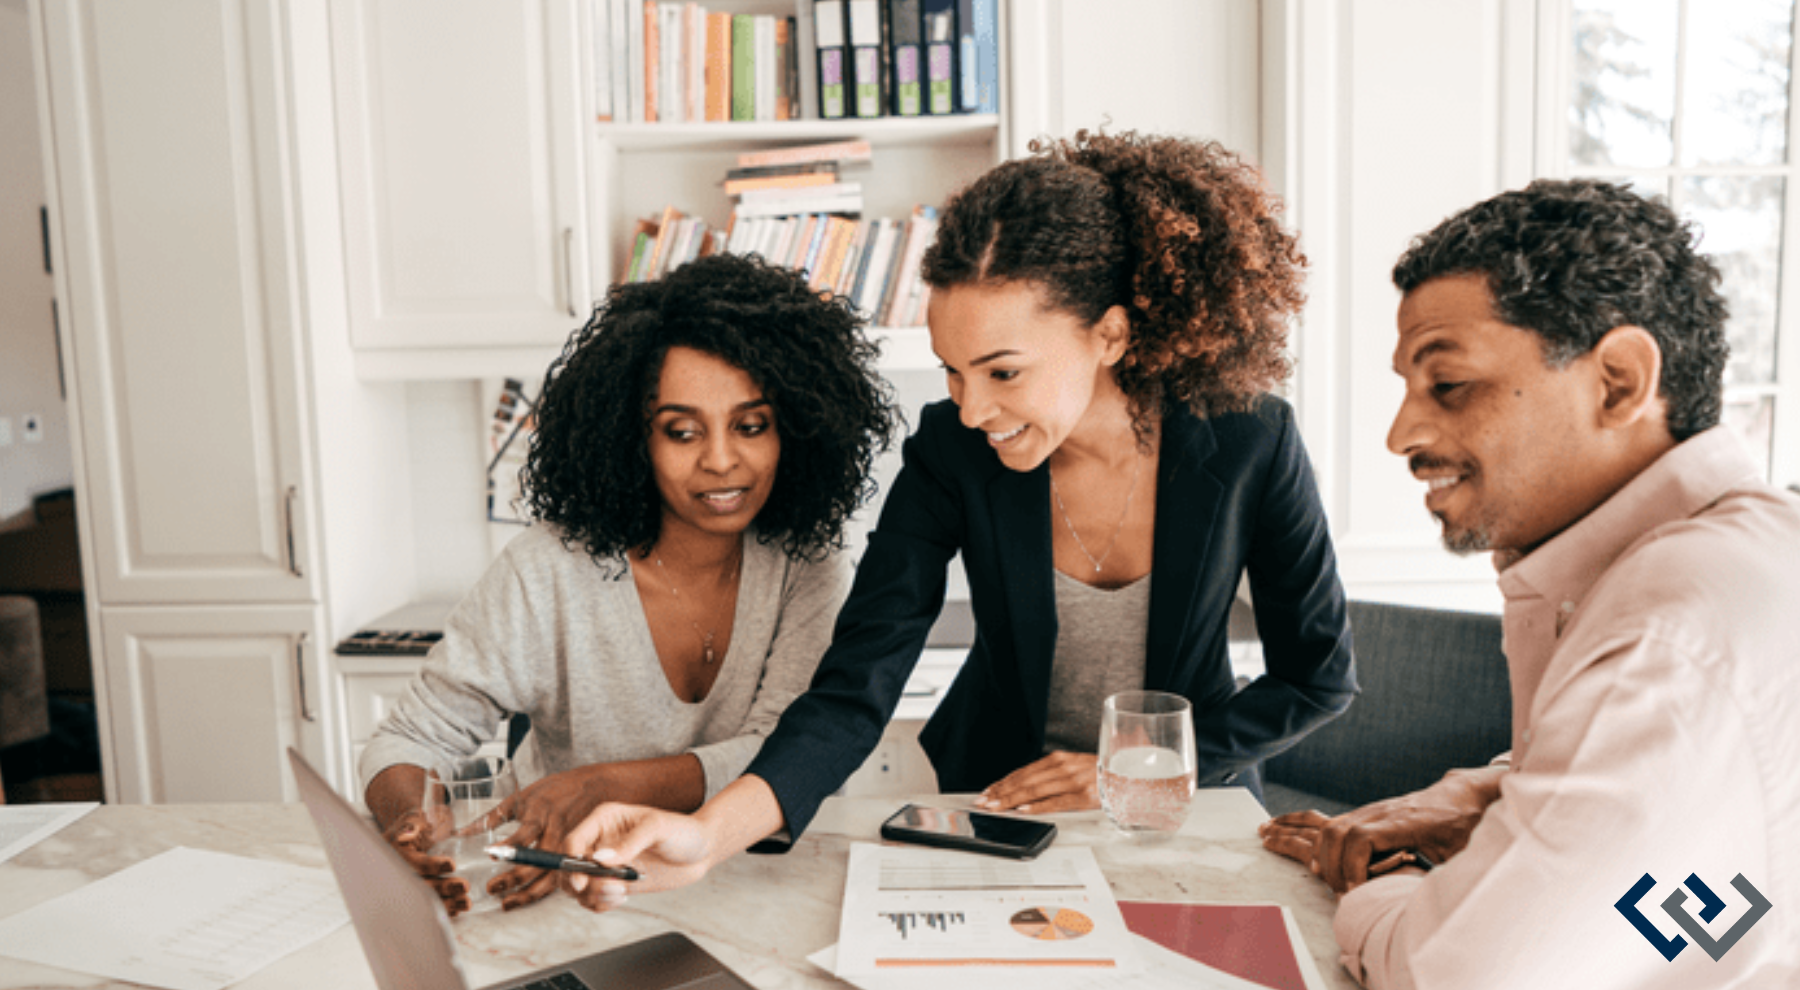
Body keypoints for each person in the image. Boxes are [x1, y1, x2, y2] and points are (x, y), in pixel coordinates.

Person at [559, 129, 1357, 910]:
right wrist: (707, 836)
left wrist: (1146, 760)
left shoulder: (1249, 439)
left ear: (1109, 335)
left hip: (1180, 803)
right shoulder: (952, 448)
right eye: (952, 371)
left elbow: (1316, 677)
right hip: (997, 803)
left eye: (1003, 372)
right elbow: (855, 685)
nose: (972, 409)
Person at [1259, 179, 1800, 987]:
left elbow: (1462, 975)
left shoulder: (1668, 638)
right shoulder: (1729, 568)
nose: (1401, 433)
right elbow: (1702, 858)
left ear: (1617, 381)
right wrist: (1491, 797)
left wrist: (1388, 893)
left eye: (1448, 385)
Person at [358, 253, 895, 914]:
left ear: (796, 429)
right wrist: (405, 824)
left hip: (740, 882)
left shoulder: (804, 562)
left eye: (751, 426)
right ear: (631, 439)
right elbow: (410, 737)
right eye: (682, 431)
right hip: (558, 886)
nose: (722, 460)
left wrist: (605, 784)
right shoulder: (546, 568)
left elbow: (783, 749)